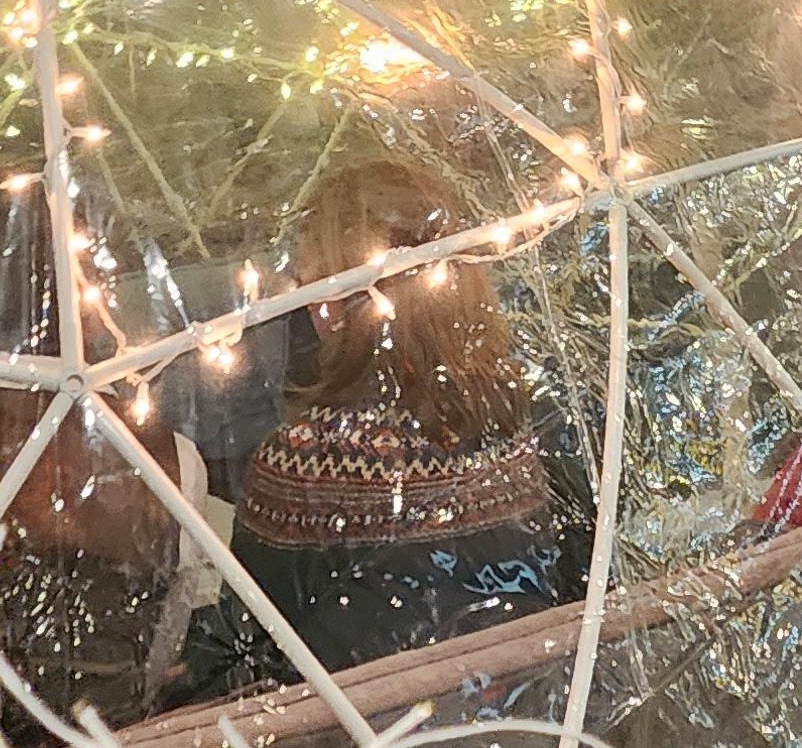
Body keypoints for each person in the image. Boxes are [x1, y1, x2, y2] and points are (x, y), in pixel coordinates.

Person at [231, 158, 578, 675]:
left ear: (344, 298)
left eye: (310, 285)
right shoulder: (532, 411)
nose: (308, 308)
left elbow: (251, 636)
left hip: (364, 718)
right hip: (539, 695)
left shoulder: (305, 457)